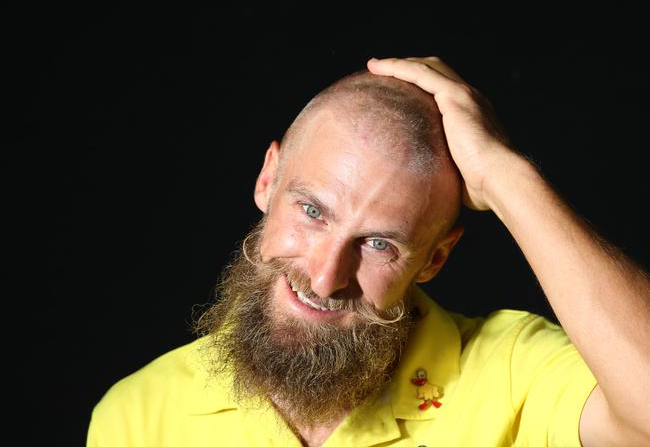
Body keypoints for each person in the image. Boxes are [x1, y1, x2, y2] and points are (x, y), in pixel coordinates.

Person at [86, 57, 650, 447]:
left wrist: (505, 175)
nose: (327, 277)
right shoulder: (137, 415)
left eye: (379, 244)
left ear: (434, 258)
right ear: (267, 179)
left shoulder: (510, 371)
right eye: (312, 212)